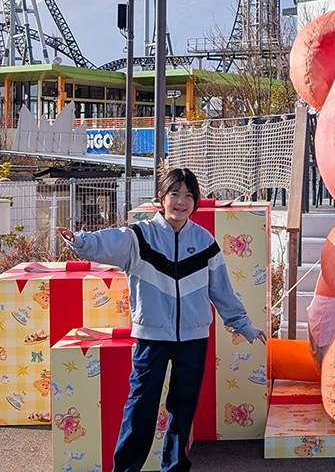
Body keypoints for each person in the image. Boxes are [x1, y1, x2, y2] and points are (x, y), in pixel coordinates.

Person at [57, 168, 266, 472]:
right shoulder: (139, 237)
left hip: (193, 340)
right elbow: (107, 242)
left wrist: (243, 324)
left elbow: (221, 289)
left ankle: (175, 467)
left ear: (195, 201)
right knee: (141, 406)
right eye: (174, 194)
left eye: (188, 196)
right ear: (161, 197)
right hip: (152, 338)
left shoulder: (205, 241)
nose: (181, 202)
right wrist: (79, 240)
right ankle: (126, 469)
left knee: (183, 409)